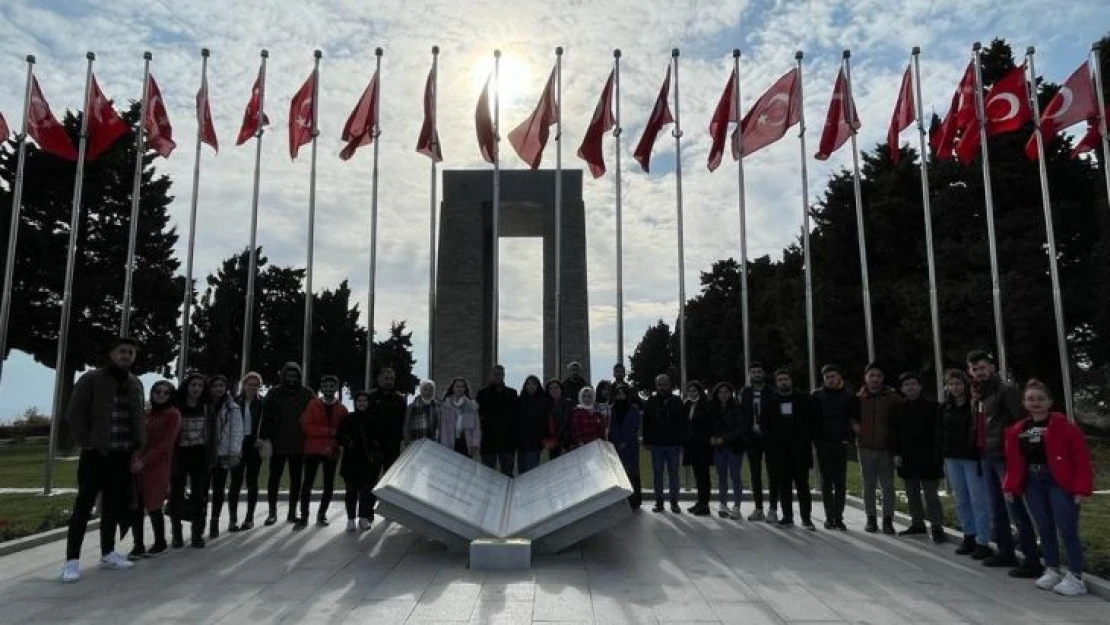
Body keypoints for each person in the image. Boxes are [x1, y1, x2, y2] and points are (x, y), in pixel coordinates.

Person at [60, 337, 146, 583]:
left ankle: (108, 552)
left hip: (122, 455)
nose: (126, 356)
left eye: (130, 352)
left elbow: (138, 417)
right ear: (112, 354)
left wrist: (139, 445)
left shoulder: (135, 383)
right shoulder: (92, 379)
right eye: (122, 351)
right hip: (96, 455)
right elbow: (74, 413)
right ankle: (72, 561)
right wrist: (87, 442)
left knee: (112, 506)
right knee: (83, 507)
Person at [1003, 380, 1094, 597]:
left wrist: (1081, 489)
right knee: (1043, 528)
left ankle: (1075, 576)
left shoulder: (1064, 426)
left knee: (1067, 528)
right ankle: (1052, 568)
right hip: (1033, 483)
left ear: (1050, 402)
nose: (1036, 403)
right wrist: (1010, 485)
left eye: (1040, 399)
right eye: (1030, 399)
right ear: (1024, 402)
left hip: (1059, 482)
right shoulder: (1019, 430)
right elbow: (1014, 461)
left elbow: (1081, 458)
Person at [968, 349, 1042, 577]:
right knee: (996, 508)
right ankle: (1005, 551)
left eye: (982, 367)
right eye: (974, 369)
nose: (979, 372)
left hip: (1005, 457)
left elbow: (1021, 421)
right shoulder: (980, 394)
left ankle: (1032, 559)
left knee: (1015, 508)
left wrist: (1017, 452)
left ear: (992, 368)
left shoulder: (1006, 390)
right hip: (987, 455)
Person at [940, 369, 993, 559]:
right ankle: (969, 535)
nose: (955, 387)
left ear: (965, 384)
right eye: (951, 384)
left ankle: (983, 541)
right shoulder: (945, 407)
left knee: (978, 500)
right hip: (952, 457)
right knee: (961, 500)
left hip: (972, 457)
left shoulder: (976, 406)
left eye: (958, 383)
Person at [888, 372, 945, 543]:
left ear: (920, 386)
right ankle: (917, 524)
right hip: (907, 456)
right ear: (902, 389)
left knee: (931, 495)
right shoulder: (897, 408)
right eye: (906, 385)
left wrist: (938, 454)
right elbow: (894, 433)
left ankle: (937, 527)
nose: (910, 387)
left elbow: (938, 432)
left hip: (929, 457)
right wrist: (896, 453)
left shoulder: (934, 407)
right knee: (912, 493)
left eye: (913, 384)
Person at [130, 381, 180, 560]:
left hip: (157, 466)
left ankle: (160, 542)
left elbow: (166, 444)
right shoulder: (147, 414)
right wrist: (136, 458)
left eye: (166, 393)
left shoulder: (172, 414)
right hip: (138, 466)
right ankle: (138, 545)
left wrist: (145, 461)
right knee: (136, 505)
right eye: (157, 391)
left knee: (153, 505)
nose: (161, 395)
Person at [261, 362, 314, 526]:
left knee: (296, 480)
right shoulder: (273, 393)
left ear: (299, 377)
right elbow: (266, 418)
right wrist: (265, 438)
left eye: (295, 376)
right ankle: (272, 513)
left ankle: (292, 512)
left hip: (299, 444)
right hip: (278, 443)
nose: (291, 379)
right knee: (274, 479)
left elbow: (313, 415)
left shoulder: (307, 393)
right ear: (283, 376)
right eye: (288, 375)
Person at [764, 368, 817, 530]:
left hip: (800, 450)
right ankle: (787, 516)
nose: (783, 382)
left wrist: (805, 439)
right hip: (779, 452)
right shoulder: (770, 401)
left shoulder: (804, 399)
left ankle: (806, 519)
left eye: (786, 379)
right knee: (784, 486)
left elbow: (812, 422)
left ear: (791, 381)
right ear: (776, 383)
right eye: (780, 380)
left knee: (803, 486)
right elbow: (765, 425)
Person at [296, 375, 348, 530]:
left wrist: (334, 440)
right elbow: (307, 427)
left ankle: (322, 514)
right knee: (307, 484)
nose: (329, 389)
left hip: (332, 451)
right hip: (313, 449)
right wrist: (330, 432)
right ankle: (304, 516)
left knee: (329, 484)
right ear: (321, 388)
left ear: (336, 389)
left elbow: (343, 432)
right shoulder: (312, 405)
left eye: (332, 386)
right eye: (326, 386)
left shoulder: (342, 409)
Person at [854, 363, 899, 535]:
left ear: (883, 378)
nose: (875, 379)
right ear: (865, 378)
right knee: (868, 484)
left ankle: (888, 520)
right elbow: (852, 417)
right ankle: (871, 518)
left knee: (888, 486)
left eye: (878, 376)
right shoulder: (859, 397)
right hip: (865, 447)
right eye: (871, 375)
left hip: (886, 448)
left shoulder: (892, 398)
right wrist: (855, 427)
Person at [169, 372, 212, 549]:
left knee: (198, 496)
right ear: (187, 386)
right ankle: (176, 533)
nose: (196, 389)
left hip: (199, 454)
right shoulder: (176, 406)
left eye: (200, 386)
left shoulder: (207, 407)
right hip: (179, 453)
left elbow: (211, 432)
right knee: (176, 494)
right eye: (193, 385)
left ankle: (196, 534)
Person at [812, 364, 857, 531]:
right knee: (826, 481)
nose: (831, 380)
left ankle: (839, 517)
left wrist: (848, 439)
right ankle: (829, 516)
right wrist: (816, 439)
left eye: (834, 376)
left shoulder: (848, 396)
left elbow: (852, 419)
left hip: (841, 444)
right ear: (824, 379)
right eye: (827, 377)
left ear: (839, 377)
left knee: (840, 482)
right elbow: (812, 419)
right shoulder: (817, 395)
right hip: (823, 443)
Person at [205, 375, 244, 539]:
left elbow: (237, 432)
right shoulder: (203, 405)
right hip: (205, 453)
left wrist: (234, 452)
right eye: (215, 386)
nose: (218, 389)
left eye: (221, 385)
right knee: (201, 490)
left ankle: (214, 522)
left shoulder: (232, 407)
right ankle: (199, 522)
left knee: (219, 490)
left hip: (222, 454)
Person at [337, 391, 382, 532]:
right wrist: (349, 443)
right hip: (351, 462)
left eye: (364, 401)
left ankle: (363, 517)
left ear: (368, 403)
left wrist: (375, 451)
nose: (362, 403)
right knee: (351, 491)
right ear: (355, 403)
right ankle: (350, 519)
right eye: (359, 401)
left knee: (366, 492)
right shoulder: (348, 418)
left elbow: (379, 439)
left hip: (368, 463)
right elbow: (339, 436)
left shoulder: (374, 419)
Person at [228, 372, 265, 532]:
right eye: (249, 384)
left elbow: (268, 423)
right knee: (235, 482)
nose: (252, 387)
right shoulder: (234, 402)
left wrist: (262, 438)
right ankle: (232, 519)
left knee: (252, 482)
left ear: (259, 387)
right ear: (244, 385)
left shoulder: (262, 403)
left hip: (254, 444)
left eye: (255, 385)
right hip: (237, 444)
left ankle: (249, 518)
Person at [644, 374, 685, 514]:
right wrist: (647, 441)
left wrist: (681, 442)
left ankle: (674, 502)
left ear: (670, 385)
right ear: (656, 386)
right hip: (656, 445)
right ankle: (659, 502)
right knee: (658, 474)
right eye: (659, 384)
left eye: (665, 384)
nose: (662, 387)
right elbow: (646, 423)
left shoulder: (677, 401)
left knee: (674, 474)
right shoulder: (651, 401)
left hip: (673, 444)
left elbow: (682, 423)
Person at [740, 362, 776, 522]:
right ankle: (758, 508)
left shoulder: (772, 391)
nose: (756, 374)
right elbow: (743, 414)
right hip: (752, 439)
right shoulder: (745, 392)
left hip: (769, 437)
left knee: (773, 474)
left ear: (764, 374)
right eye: (753, 372)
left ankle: (773, 509)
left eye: (759, 372)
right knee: (755, 474)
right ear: (750, 375)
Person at [708, 381, 745, 520]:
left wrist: (724, 439)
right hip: (718, 449)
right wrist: (711, 437)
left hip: (734, 447)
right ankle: (723, 505)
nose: (723, 395)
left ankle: (737, 506)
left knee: (735, 477)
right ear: (716, 394)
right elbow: (709, 426)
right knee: (722, 477)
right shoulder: (713, 408)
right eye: (720, 392)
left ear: (730, 393)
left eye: (726, 392)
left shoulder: (737, 407)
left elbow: (740, 429)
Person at [477, 365, 519, 476]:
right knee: (487, 474)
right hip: (488, 440)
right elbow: (478, 416)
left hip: (507, 440)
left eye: (500, 374)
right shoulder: (482, 394)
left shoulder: (512, 393)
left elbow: (516, 416)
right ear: (491, 375)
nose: (498, 377)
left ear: (504, 375)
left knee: (507, 474)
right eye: (495, 374)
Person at [609, 384, 643, 510]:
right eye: (618, 393)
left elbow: (634, 427)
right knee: (619, 474)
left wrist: (625, 441)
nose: (620, 396)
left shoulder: (634, 408)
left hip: (630, 447)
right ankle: (621, 501)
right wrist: (618, 441)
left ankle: (635, 500)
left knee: (633, 473)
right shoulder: (611, 409)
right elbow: (611, 427)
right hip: (617, 446)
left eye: (623, 393)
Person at [367, 367, 408, 472]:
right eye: (386, 378)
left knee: (389, 478)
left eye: (392, 379)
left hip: (392, 445)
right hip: (374, 444)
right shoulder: (370, 397)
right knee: (371, 478)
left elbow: (404, 421)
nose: (389, 381)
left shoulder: (400, 400)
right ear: (379, 379)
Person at [682, 381, 713, 516]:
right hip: (692, 446)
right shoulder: (688, 405)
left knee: (704, 476)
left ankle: (705, 504)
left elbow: (707, 426)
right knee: (697, 475)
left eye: (695, 391)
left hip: (703, 447)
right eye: (690, 391)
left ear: (700, 392)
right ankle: (700, 501)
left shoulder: (705, 406)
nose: (692, 393)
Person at [439, 377, 481, 456]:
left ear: (465, 389)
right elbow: (443, 427)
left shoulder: (470, 405)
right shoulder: (446, 405)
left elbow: (476, 427)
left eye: (462, 386)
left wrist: (475, 443)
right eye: (457, 386)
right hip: (450, 442)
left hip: (466, 442)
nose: (460, 389)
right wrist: (444, 445)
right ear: (453, 388)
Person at [515, 375, 548, 473]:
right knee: (521, 470)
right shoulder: (519, 400)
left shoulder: (543, 401)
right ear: (525, 386)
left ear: (538, 385)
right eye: (528, 384)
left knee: (531, 470)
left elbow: (544, 422)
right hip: (521, 442)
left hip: (535, 442)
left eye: (534, 384)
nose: (531, 386)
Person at [543, 379, 574, 460]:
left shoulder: (568, 403)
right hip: (552, 443)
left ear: (561, 389)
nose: (554, 390)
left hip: (564, 443)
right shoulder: (547, 405)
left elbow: (568, 425)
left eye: (556, 388)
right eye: (551, 388)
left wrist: (564, 445)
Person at [404, 380, 441, 445]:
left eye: (431, 390)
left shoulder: (438, 405)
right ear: (421, 391)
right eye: (425, 389)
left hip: (433, 440)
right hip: (416, 440)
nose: (428, 392)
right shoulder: (412, 406)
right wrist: (407, 440)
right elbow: (406, 425)